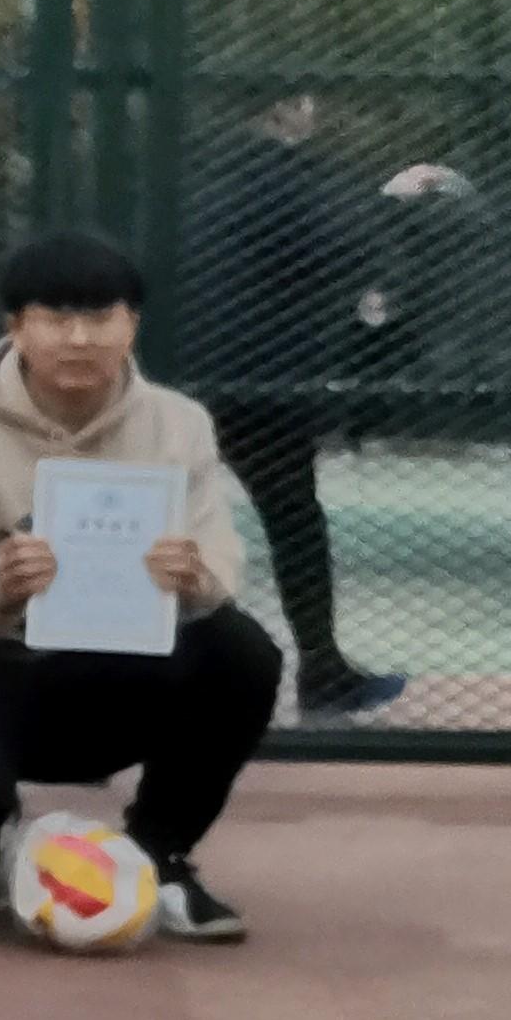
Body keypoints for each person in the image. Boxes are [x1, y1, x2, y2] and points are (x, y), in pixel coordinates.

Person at [0, 231, 277, 942]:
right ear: (15, 327)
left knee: (241, 652)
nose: (79, 338)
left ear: (133, 325)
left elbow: (220, 563)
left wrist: (193, 575)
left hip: (117, 671)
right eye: (55, 318)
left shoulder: (178, 424)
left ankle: (159, 852)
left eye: (101, 317)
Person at [177, 91, 405, 716]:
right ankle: (322, 670)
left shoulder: (203, 171)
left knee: (165, 520)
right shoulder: (290, 179)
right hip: (265, 384)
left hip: (188, 376)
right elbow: (356, 249)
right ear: (283, 108)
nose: (316, 110)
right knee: (295, 522)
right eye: (305, 98)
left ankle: (126, 677)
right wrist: (394, 203)